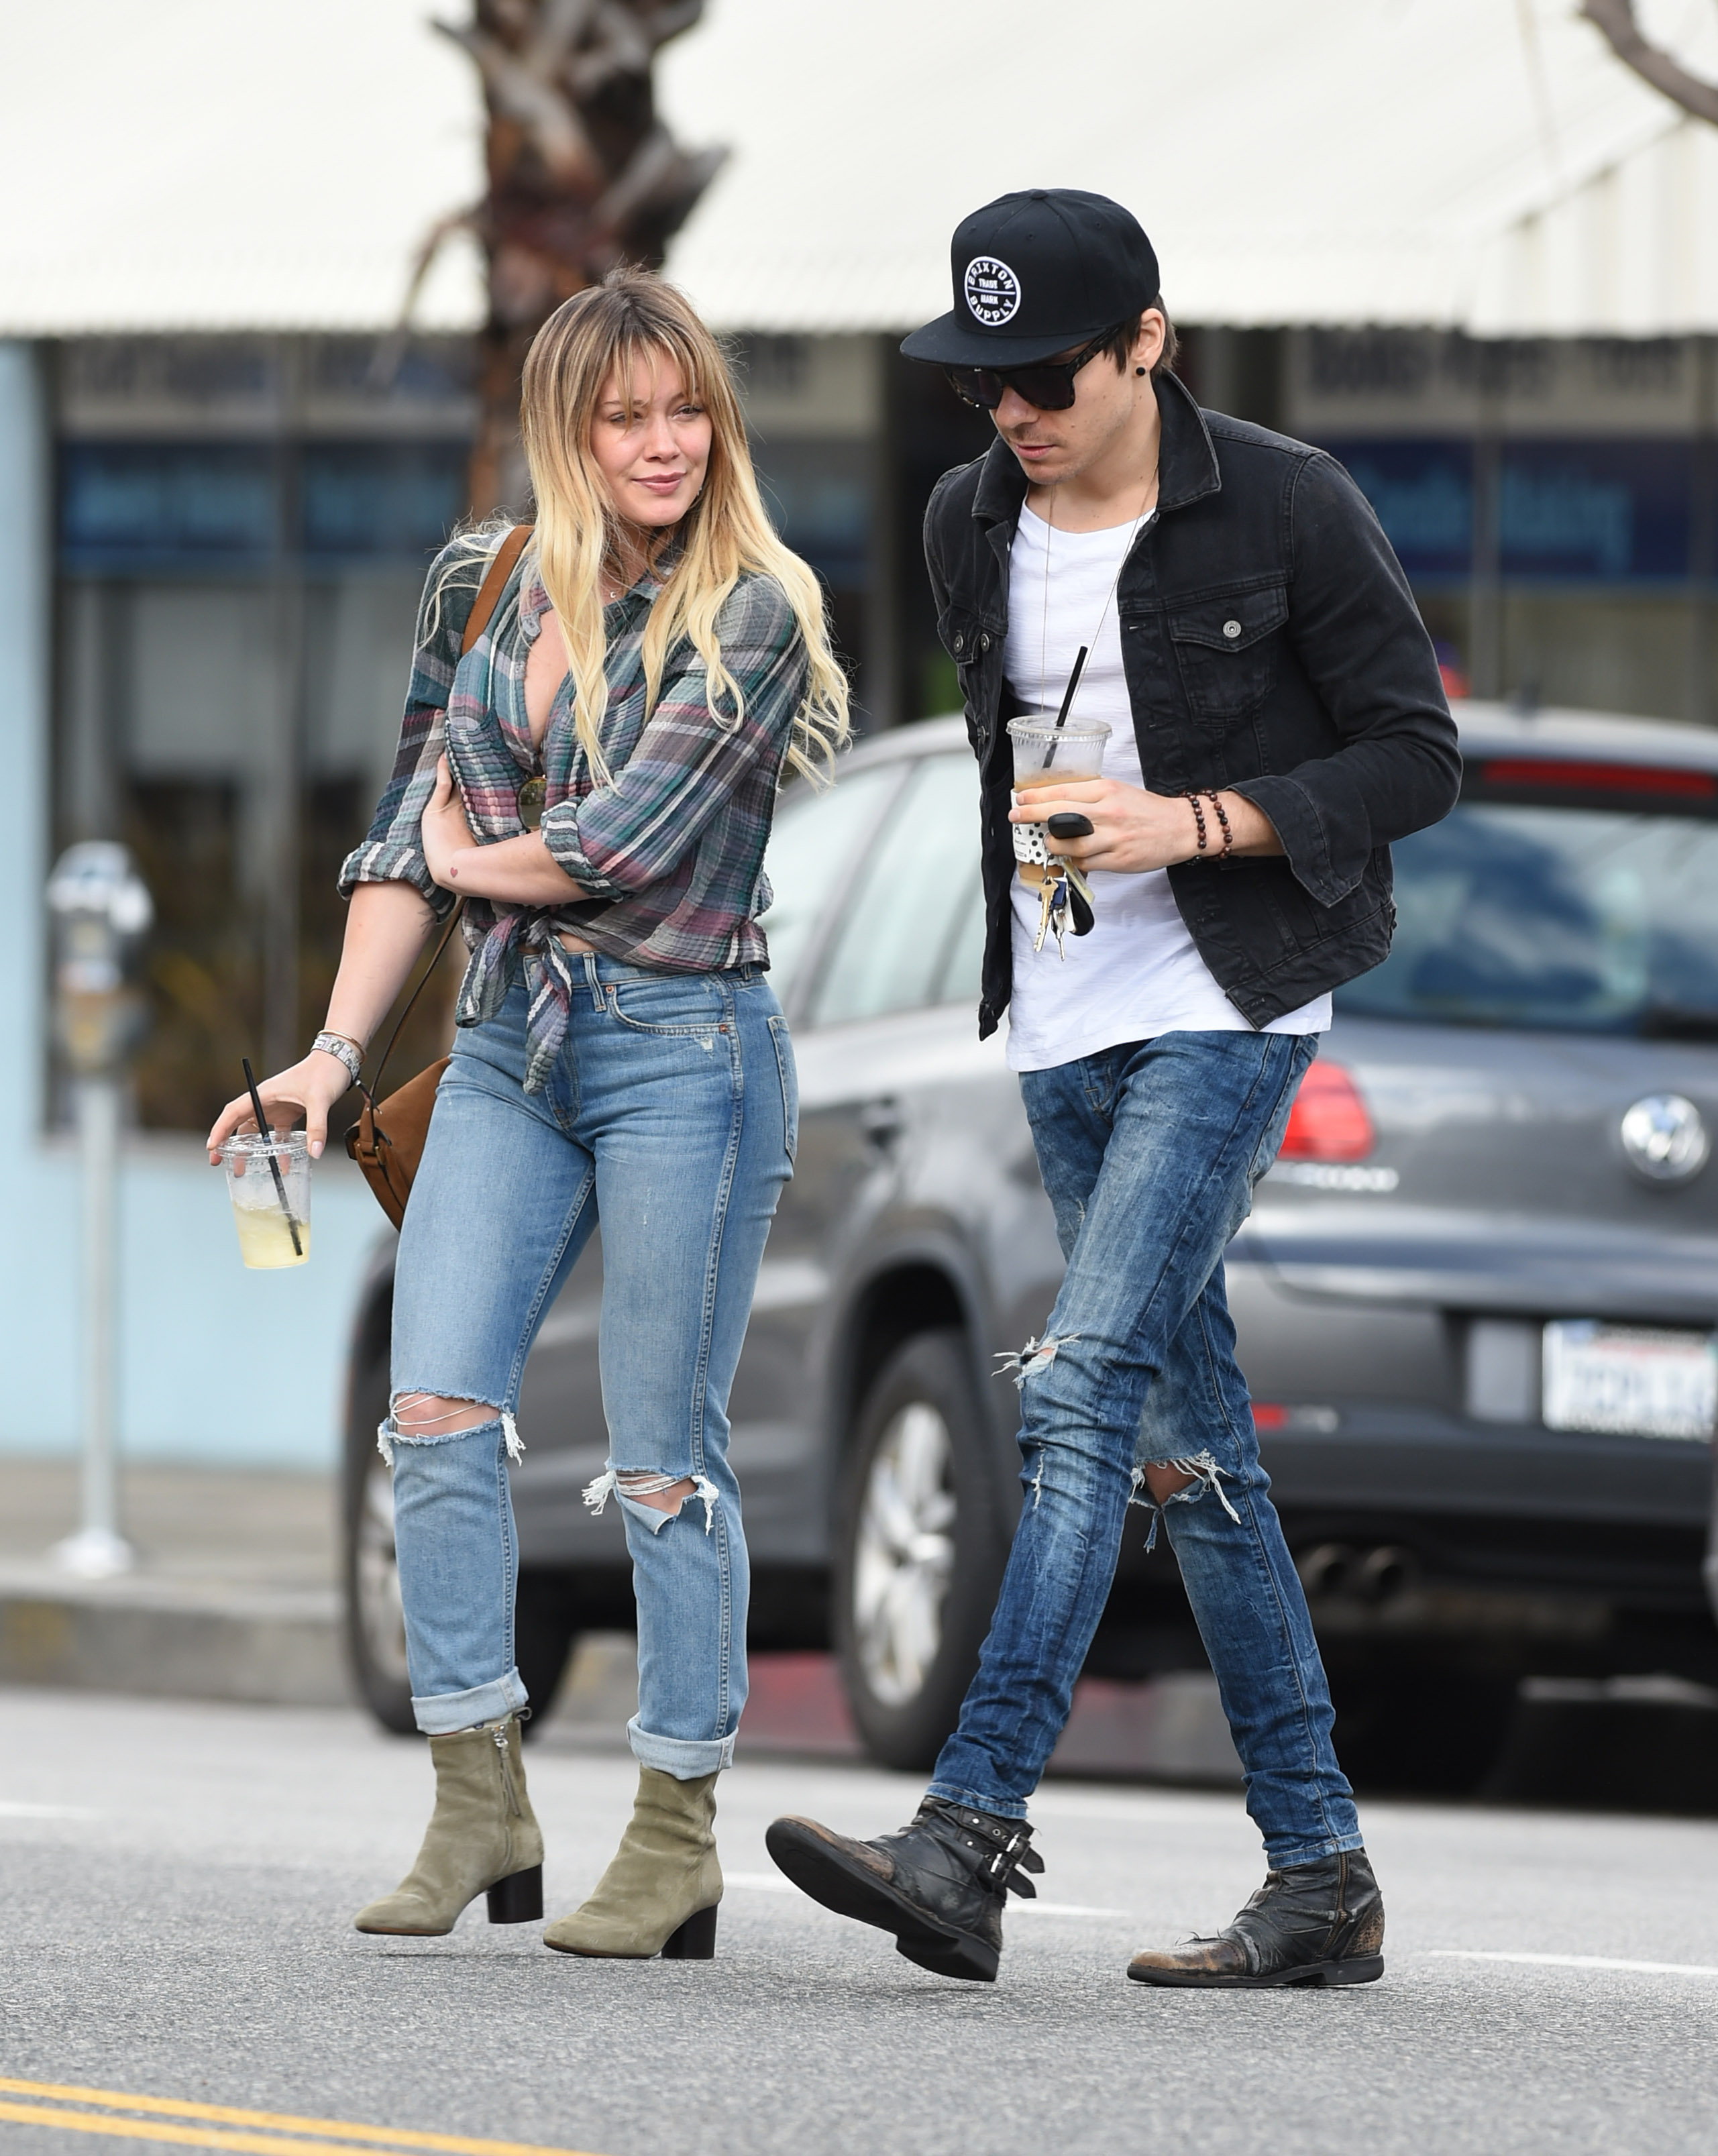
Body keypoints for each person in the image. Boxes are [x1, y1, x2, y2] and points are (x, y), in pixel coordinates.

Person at [766, 190, 1460, 1988]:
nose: (1014, 412)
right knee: (1187, 1445)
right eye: (980, 384)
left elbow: (1414, 756)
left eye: (1047, 376)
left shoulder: (1288, 504)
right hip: (1062, 1018)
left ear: (1148, 341)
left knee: (1077, 1391)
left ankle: (966, 1834)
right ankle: (1322, 1872)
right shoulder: (969, 518)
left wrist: (1195, 824)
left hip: (1231, 1001)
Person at [209, 269, 848, 1959]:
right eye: (624, 416)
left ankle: (675, 1830)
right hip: (508, 1049)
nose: (664, 443)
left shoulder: (753, 609)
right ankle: (477, 1793)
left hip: (686, 1054)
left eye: (688, 409)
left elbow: (615, 847)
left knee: (660, 1455)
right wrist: (328, 1058)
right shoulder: (482, 588)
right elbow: (400, 841)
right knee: (431, 1410)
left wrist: (464, 852)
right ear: (562, 432)